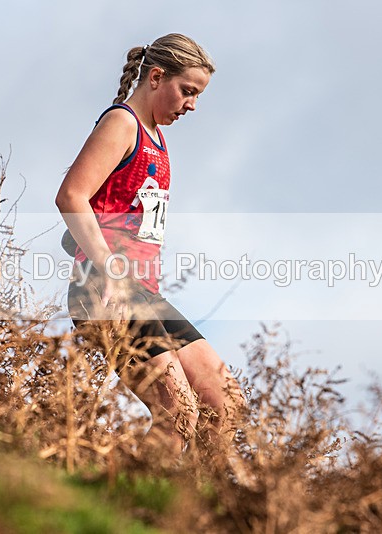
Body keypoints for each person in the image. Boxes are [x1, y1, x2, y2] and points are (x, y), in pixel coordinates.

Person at [55, 33, 245, 457]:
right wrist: (109, 268)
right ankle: (134, 510)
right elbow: (71, 196)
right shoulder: (121, 124)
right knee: (178, 413)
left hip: (144, 292)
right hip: (104, 289)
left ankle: (198, 511)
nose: (192, 105)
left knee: (225, 403)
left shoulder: (157, 137)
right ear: (157, 77)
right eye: (187, 92)